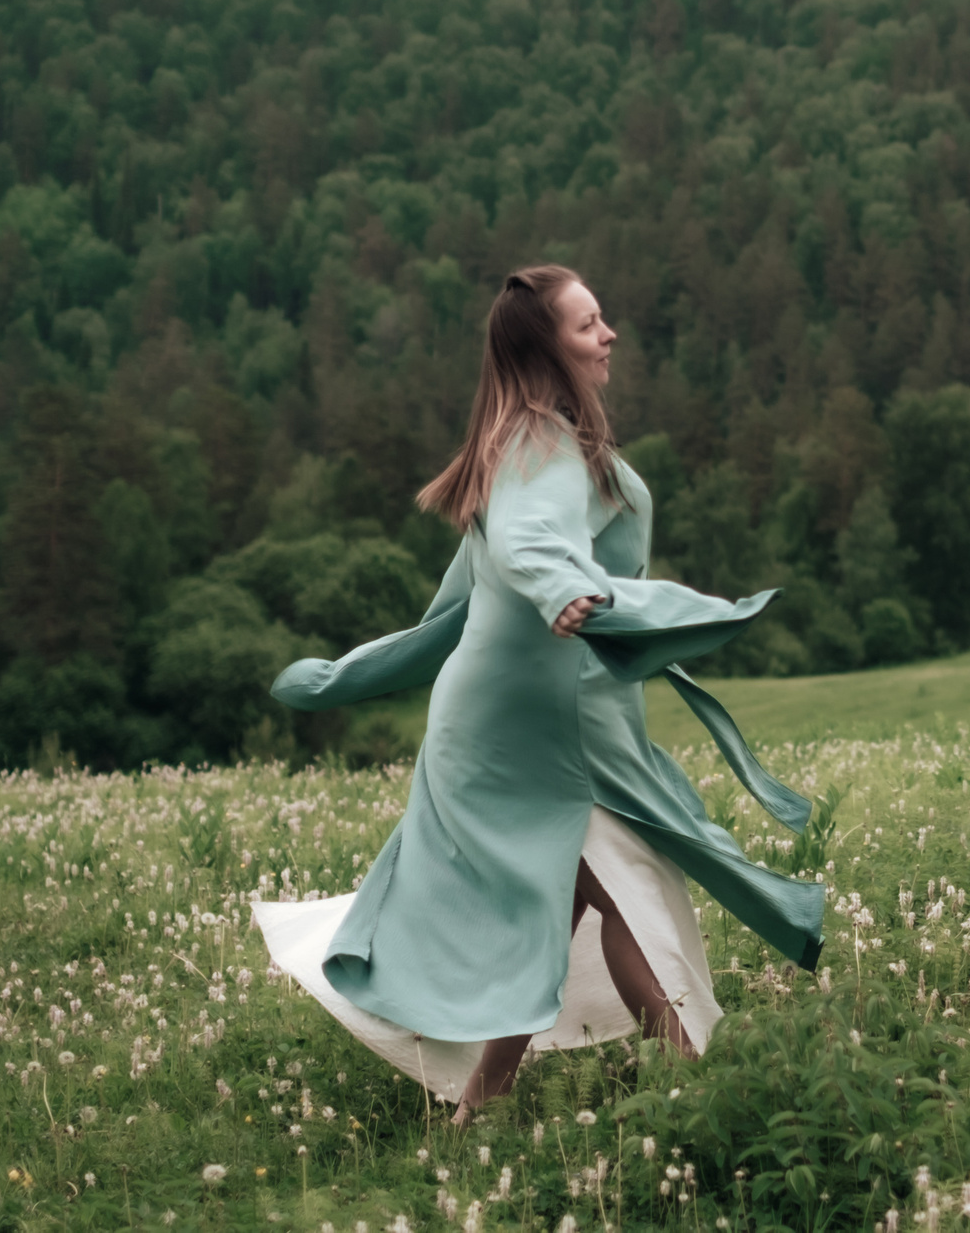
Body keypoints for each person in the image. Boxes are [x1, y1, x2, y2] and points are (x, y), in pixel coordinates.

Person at [250, 265, 823, 1123]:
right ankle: (709, 1103)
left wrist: (343, 676)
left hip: (553, 728)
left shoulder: (543, 445)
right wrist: (561, 588)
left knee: (551, 900)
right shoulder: (535, 447)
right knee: (621, 890)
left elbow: (449, 615)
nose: (610, 335)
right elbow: (526, 543)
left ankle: (481, 1103)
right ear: (547, 348)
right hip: (517, 742)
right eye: (590, 324)